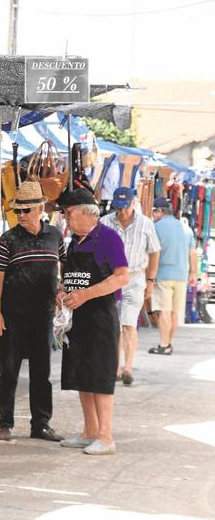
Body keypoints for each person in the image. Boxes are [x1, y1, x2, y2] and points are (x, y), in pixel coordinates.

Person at [0, 181, 66, 442]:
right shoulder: (8, 239)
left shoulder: (56, 235)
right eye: (17, 211)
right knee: (9, 370)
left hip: (43, 315)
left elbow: (64, 267)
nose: (21, 215)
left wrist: (62, 290)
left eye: (26, 210)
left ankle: (41, 424)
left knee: (41, 373)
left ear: (41, 208)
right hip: (13, 315)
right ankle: (5, 423)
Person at [57, 188, 129, 455]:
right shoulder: (74, 241)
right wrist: (62, 291)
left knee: (99, 376)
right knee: (81, 374)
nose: (65, 217)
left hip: (101, 315)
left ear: (87, 212)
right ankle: (89, 431)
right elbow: (69, 277)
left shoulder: (109, 238)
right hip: (77, 318)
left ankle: (106, 437)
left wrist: (86, 294)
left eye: (69, 212)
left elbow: (122, 277)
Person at [101, 187, 160, 385]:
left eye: (124, 208)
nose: (121, 212)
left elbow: (154, 252)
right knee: (114, 325)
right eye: (118, 208)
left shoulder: (145, 224)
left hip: (135, 279)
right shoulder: (105, 222)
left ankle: (127, 368)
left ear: (133, 204)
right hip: (111, 278)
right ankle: (114, 367)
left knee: (128, 324)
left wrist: (150, 281)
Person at [148, 197, 197, 355]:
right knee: (175, 312)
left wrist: (148, 275)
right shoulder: (186, 228)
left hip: (163, 274)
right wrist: (193, 273)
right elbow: (193, 253)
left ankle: (163, 345)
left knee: (164, 311)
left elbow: (152, 253)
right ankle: (168, 343)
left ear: (160, 211)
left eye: (154, 211)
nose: (153, 214)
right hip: (181, 276)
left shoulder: (156, 228)